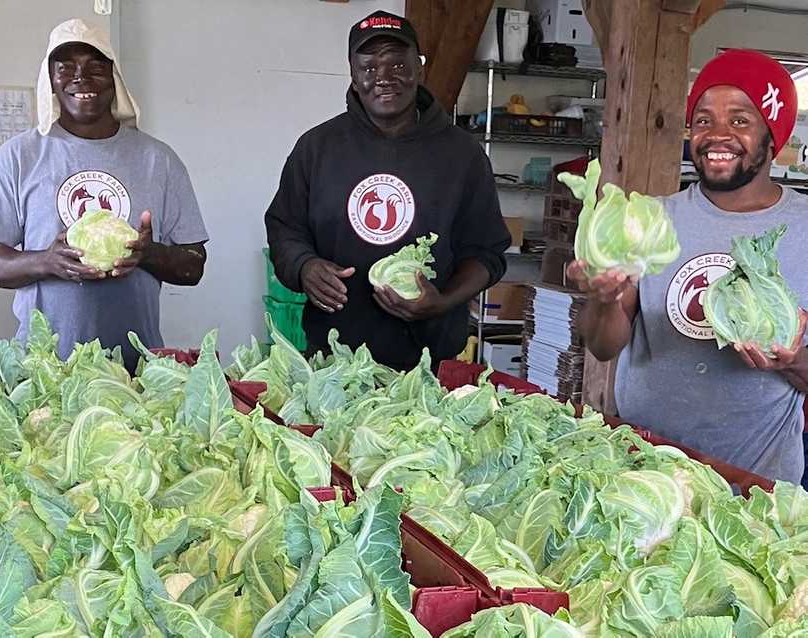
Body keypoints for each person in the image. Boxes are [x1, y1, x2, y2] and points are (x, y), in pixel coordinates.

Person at [568, 49, 808, 484]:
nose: (717, 134)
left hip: (755, 483)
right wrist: (601, 300)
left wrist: (791, 363)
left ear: (773, 135)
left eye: (739, 120)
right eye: (702, 120)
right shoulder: (651, 222)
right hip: (643, 470)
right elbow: (603, 347)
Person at [265, 10, 511, 371]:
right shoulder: (316, 148)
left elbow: (487, 253)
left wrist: (442, 301)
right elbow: (284, 228)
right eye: (369, 67)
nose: (383, 78)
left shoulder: (462, 155)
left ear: (419, 68)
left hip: (431, 362)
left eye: (397, 65)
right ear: (352, 73)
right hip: (333, 363)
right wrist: (305, 266)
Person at [0, 19, 208, 372]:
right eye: (66, 67)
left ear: (115, 79)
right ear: (50, 78)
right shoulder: (19, 157)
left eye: (96, 67)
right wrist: (46, 261)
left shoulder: (160, 160)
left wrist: (148, 253)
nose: (81, 77)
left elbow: (194, 264)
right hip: (44, 369)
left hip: (135, 368)